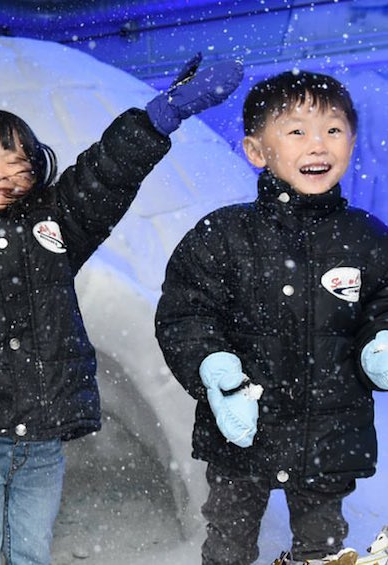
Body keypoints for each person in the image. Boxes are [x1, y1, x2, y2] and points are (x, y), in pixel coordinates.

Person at [0, 53, 243, 565]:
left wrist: (162, 115)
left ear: (35, 167)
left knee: (31, 552)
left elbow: (106, 174)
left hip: (42, 441)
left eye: (15, 161)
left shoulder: (57, 222)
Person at [155, 70, 388, 565]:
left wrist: (380, 342)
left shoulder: (367, 237)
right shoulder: (223, 235)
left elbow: (384, 304)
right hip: (242, 435)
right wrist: (214, 371)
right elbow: (185, 313)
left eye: (333, 129)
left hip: (329, 434)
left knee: (323, 551)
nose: (318, 145)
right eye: (297, 131)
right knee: (229, 546)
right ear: (257, 151)